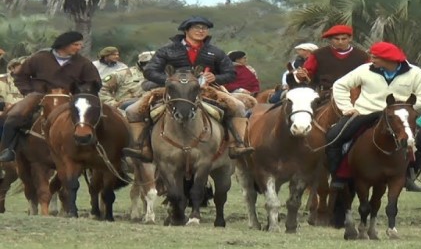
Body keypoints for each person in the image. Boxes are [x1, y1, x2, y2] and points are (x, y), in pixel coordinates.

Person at [122, 16, 254, 162]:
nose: (201, 31)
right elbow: (150, 71)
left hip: (207, 90)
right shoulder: (167, 50)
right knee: (132, 110)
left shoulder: (215, 52)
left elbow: (231, 73)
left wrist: (216, 78)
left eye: (204, 28)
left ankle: (238, 145)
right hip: (171, 90)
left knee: (238, 106)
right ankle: (141, 147)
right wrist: (169, 80)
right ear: (186, 30)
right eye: (196, 28)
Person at [325, 41, 421, 192]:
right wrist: (347, 108)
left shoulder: (414, 72)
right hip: (365, 113)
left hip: (397, 118)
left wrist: (404, 109)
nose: (371, 59)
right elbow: (340, 85)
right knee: (333, 137)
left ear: (388, 59)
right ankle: (338, 177)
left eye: (375, 57)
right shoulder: (364, 70)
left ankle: (409, 175)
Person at [0, 31, 102, 162]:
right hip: (39, 94)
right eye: (75, 44)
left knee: (94, 116)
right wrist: (28, 91)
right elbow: (20, 76)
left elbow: (94, 82)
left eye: (80, 45)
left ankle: (98, 151)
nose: (79, 47)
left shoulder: (84, 63)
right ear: (64, 44)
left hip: (70, 96)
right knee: (15, 115)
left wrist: (80, 91)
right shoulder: (39, 58)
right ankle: (8, 149)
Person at [294, 25, 369, 91]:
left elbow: (369, 76)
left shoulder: (362, 56)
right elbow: (306, 73)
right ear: (330, 39)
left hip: (354, 95)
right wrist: (301, 75)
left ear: (350, 38)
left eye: (344, 39)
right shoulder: (318, 54)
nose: (340, 42)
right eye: (336, 39)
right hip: (324, 94)